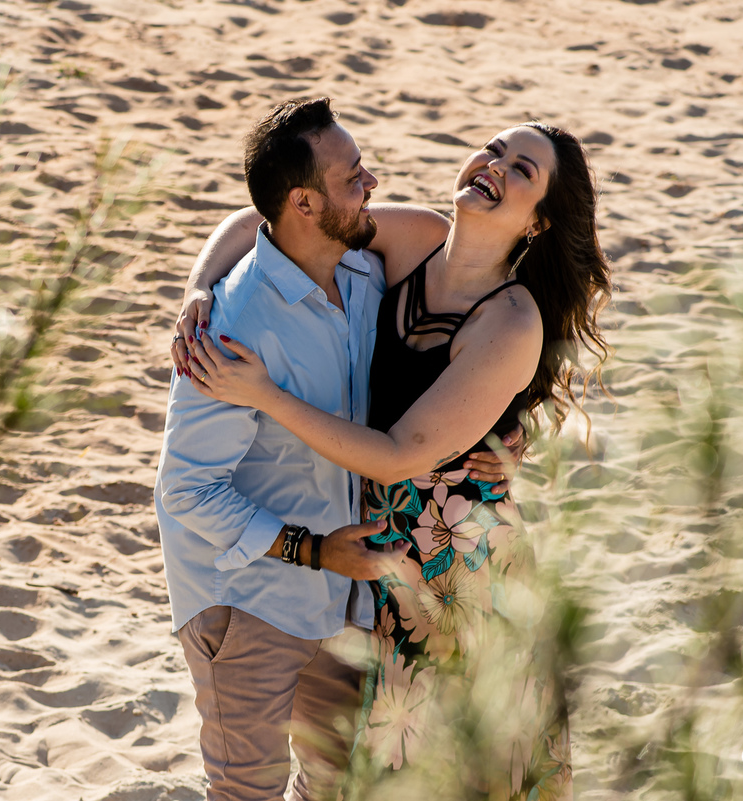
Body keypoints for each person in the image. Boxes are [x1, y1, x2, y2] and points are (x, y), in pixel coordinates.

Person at [176, 122, 611, 799]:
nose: (495, 166)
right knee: (376, 761)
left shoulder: (512, 320)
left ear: (539, 222)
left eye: (521, 170)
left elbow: (396, 457)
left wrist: (263, 393)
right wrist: (199, 290)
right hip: (375, 559)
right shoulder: (415, 240)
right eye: (494, 149)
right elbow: (270, 218)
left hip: (454, 570)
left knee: (447, 764)